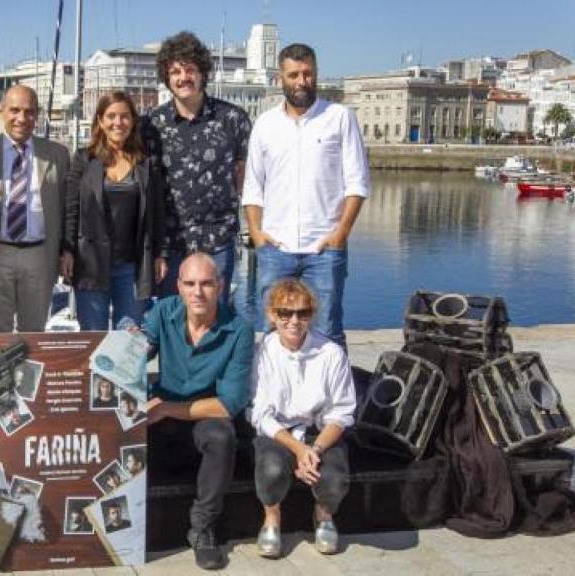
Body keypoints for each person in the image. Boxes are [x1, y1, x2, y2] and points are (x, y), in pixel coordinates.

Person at [243, 43, 371, 348]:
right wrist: (258, 234)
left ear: (317, 73)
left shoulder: (340, 117)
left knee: (326, 331)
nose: (302, 81)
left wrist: (341, 234)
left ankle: (330, 396)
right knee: (272, 332)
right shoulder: (265, 124)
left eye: (308, 73)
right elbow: (252, 186)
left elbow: (358, 183)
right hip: (275, 249)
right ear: (280, 78)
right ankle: (274, 395)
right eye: (294, 75)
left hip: (324, 250)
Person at [141, 253, 253, 570]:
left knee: (222, 436)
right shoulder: (163, 312)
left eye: (206, 283)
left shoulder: (240, 330)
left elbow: (228, 403)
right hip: (165, 412)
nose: (197, 292)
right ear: (178, 286)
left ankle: (202, 527)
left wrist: (165, 408)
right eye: (189, 283)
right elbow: (135, 355)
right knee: (115, 425)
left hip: (205, 415)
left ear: (220, 285)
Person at [143, 31, 252, 306]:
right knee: (173, 319)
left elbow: (243, 175)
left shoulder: (233, 119)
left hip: (218, 240)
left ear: (203, 72)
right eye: (175, 71)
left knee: (216, 318)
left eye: (190, 69)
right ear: (166, 78)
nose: (183, 78)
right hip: (171, 245)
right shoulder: (152, 125)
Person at [250, 278, 355, 558]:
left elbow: (341, 412)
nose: (294, 321)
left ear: (311, 315)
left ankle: (323, 514)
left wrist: (315, 449)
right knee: (272, 469)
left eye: (302, 313)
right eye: (285, 313)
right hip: (278, 431)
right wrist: (298, 449)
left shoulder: (331, 353)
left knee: (335, 478)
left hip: (318, 431)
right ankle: (271, 518)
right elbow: (260, 413)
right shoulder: (263, 352)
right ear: (273, 315)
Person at [63, 91, 166, 329]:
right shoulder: (83, 160)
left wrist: (160, 254)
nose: (118, 123)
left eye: (124, 116)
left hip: (132, 266)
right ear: (100, 120)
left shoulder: (146, 164)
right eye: (111, 116)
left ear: (133, 121)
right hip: (90, 264)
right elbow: (71, 210)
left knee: (128, 342)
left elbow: (157, 214)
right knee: (93, 338)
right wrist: (66, 251)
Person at [0, 85, 69, 332]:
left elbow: (68, 207)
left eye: (29, 112)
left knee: (34, 335)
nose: (22, 118)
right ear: (0, 111)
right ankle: (0, 374)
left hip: (39, 255)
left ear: (37, 114)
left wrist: (66, 252)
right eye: (14, 110)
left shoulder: (58, 155)